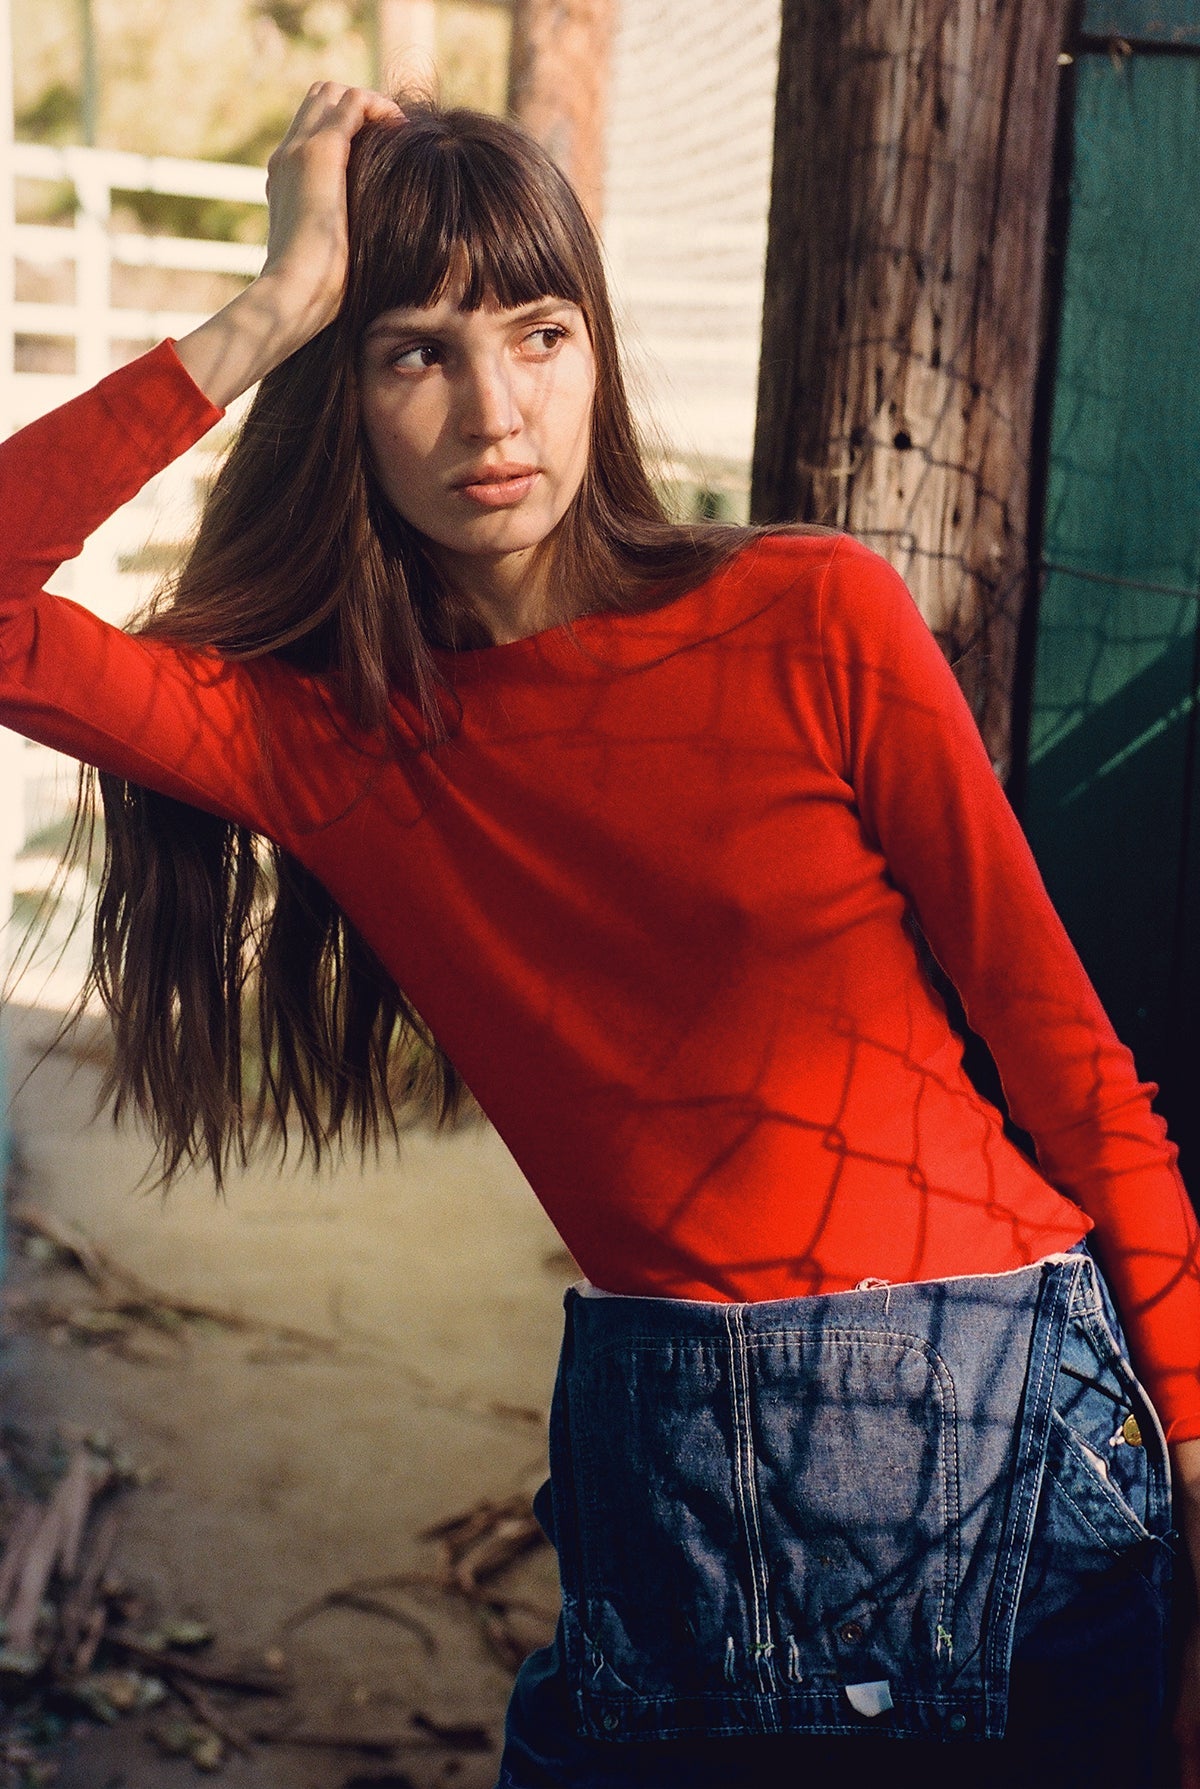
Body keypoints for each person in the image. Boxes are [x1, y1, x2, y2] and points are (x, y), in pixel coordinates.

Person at [2, 83, 1198, 1789]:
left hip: (1003, 1417)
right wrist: (269, 304)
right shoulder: (327, 740)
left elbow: (1067, 1057)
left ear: (596, 353)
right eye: (415, 353)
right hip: (671, 1458)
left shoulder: (810, 615)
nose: (494, 411)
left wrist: (1199, 1449)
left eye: (540, 334)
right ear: (340, 391)